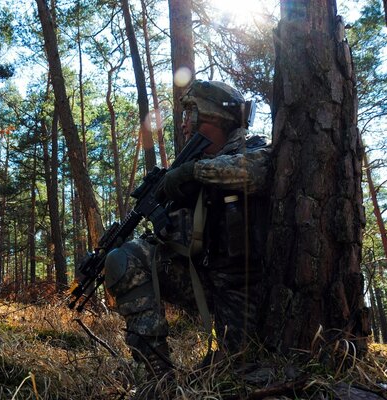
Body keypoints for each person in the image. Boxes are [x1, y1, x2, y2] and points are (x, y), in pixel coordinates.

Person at [103, 80, 272, 392]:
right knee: (125, 258)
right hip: (205, 285)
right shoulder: (192, 169)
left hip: (247, 296)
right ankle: (158, 378)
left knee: (231, 377)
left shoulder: (257, 152)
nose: (183, 127)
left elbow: (256, 171)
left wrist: (193, 173)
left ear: (212, 119)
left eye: (189, 117)